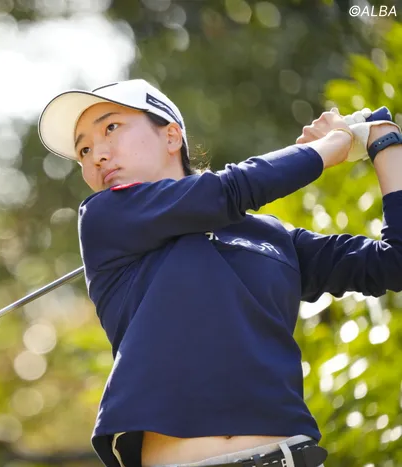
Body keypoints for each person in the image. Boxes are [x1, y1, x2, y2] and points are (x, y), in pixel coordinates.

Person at [37, 79, 402, 467]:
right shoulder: (104, 219)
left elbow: (392, 264)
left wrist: (384, 141)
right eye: (84, 150)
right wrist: (333, 144)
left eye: (111, 127)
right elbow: (228, 190)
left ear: (171, 136)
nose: (96, 155)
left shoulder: (273, 238)